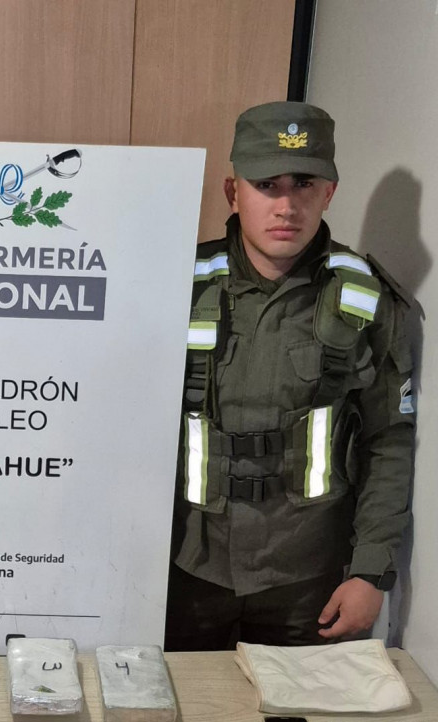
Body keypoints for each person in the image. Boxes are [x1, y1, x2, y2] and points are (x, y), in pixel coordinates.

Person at [165, 101, 414, 650]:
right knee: (186, 704)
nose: (286, 206)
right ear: (233, 193)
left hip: (307, 573)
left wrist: (369, 571)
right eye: (266, 184)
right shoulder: (176, 282)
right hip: (186, 563)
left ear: (329, 192)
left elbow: (388, 441)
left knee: (298, 707)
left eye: (304, 183)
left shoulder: (363, 297)